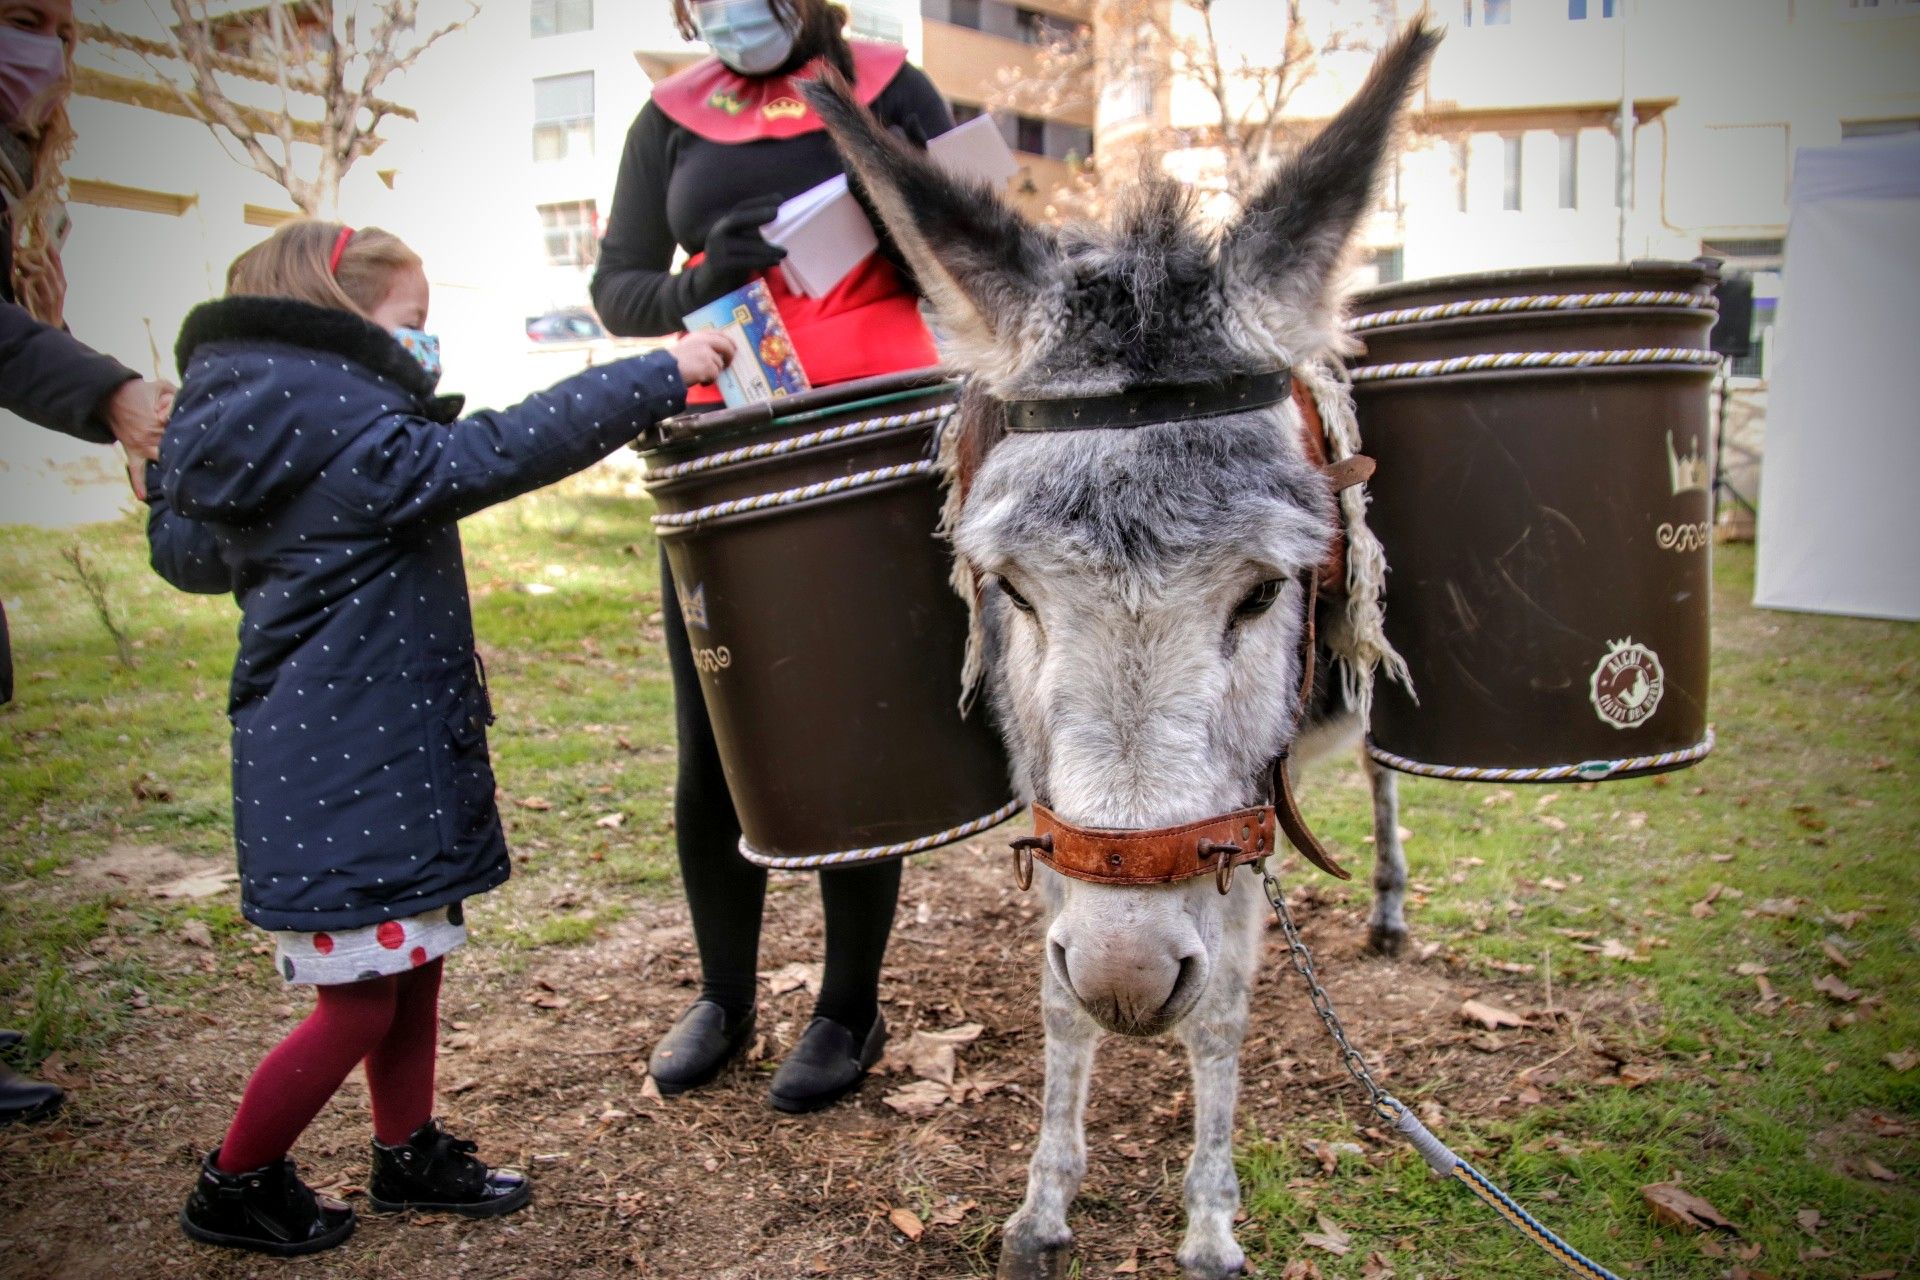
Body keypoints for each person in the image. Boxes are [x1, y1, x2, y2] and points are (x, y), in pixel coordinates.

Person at [146, 219, 731, 1257]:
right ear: (342, 326)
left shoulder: (268, 439)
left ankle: (405, 1147)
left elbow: (187, 551)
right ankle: (234, 1179)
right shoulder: (352, 437)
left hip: (366, 758)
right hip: (350, 770)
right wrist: (658, 371)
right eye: (411, 324)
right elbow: (504, 448)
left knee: (410, 970)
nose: (425, 345)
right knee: (358, 1006)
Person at [590, 0, 954, 1114]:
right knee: (720, 727)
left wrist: (904, 228)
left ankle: (849, 1004)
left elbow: (974, 252)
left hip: (871, 432)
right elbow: (616, 290)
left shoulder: (893, 84)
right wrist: (703, 280)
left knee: (852, 726)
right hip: (723, 442)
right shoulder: (670, 114)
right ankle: (724, 993)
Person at [0, 0, 171, 1125]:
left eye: (52, 24)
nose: (42, 50)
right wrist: (112, 394)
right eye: (19, 20)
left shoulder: (23, 170)